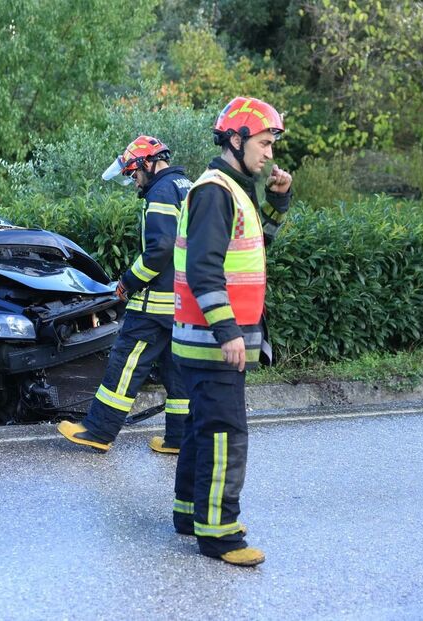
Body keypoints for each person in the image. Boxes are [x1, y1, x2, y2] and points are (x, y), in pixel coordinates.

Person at [171, 96, 293, 567]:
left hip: (205, 341)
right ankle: (220, 534)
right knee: (225, 434)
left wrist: (278, 202)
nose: (269, 154)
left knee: (203, 431)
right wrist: (229, 333)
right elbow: (204, 270)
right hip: (213, 343)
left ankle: (189, 515)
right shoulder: (215, 191)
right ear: (236, 140)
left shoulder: (231, 189)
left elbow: (257, 245)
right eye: (263, 143)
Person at [58, 136, 192, 453]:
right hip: (183, 302)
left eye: (133, 174)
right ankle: (179, 439)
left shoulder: (160, 191)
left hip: (155, 304)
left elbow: (160, 249)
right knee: (177, 372)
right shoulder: (186, 186)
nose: (134, 183)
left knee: (124, 362)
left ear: (147, 163)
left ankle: (98, 431)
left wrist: (128, 282)